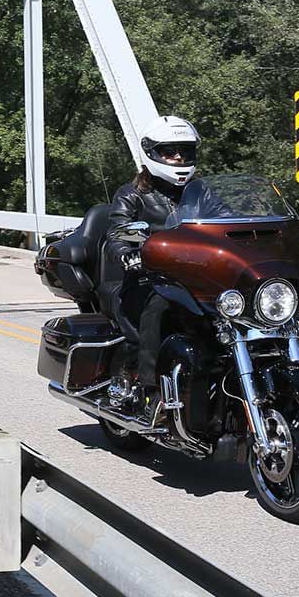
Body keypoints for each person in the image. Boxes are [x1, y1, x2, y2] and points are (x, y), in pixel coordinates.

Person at [98, 115, 200, 399]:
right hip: (148, 278)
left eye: (185, 151)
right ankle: (149, 386)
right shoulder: (133, 194)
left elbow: (227, 223)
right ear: (152, 153)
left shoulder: (201, 193)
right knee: (160, 306)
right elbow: (117, 232)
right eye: (169, 151)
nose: (178, 157)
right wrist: (129, 255)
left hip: (198, 277)